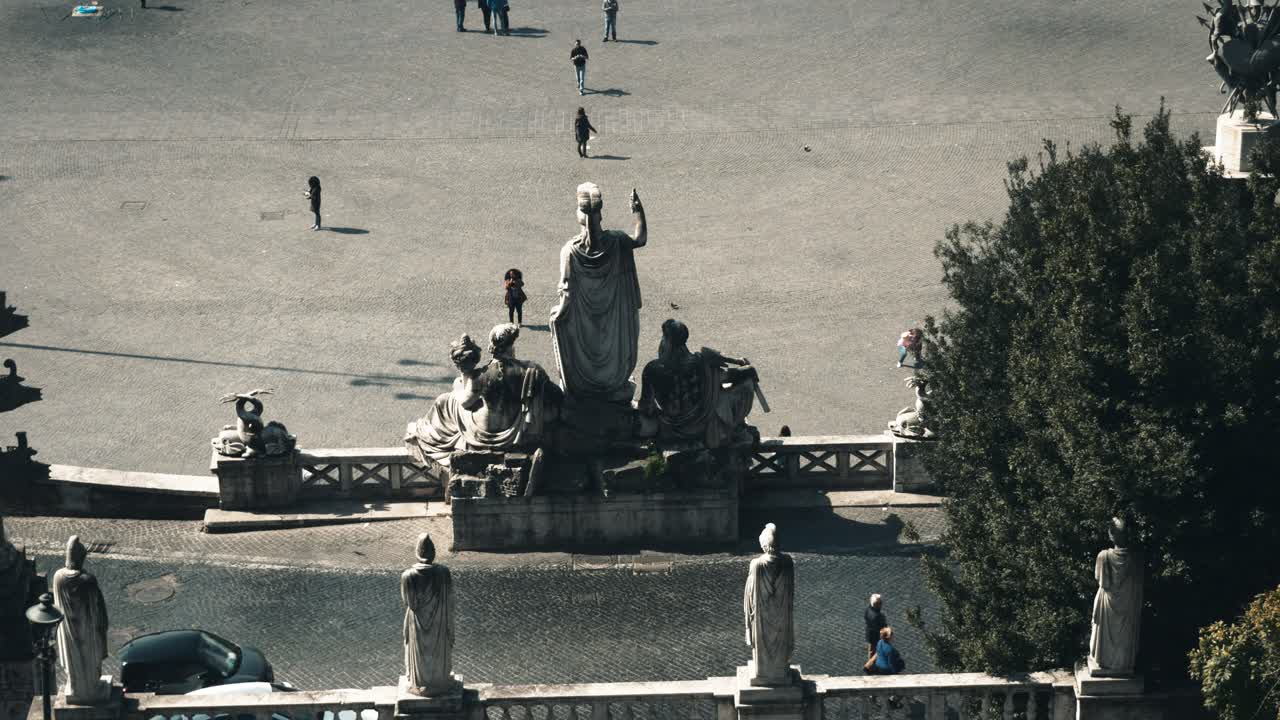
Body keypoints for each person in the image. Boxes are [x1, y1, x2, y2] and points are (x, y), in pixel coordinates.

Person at [863, 593, 887, 663]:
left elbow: (866, 618)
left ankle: (870, 664)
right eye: (880, 603)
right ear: (876, 604)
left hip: (870, 634)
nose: (881, 604)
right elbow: (882, 627)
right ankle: (874, 666)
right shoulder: (878, 616)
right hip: (877, 636)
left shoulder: (868, 610)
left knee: (871, 651)